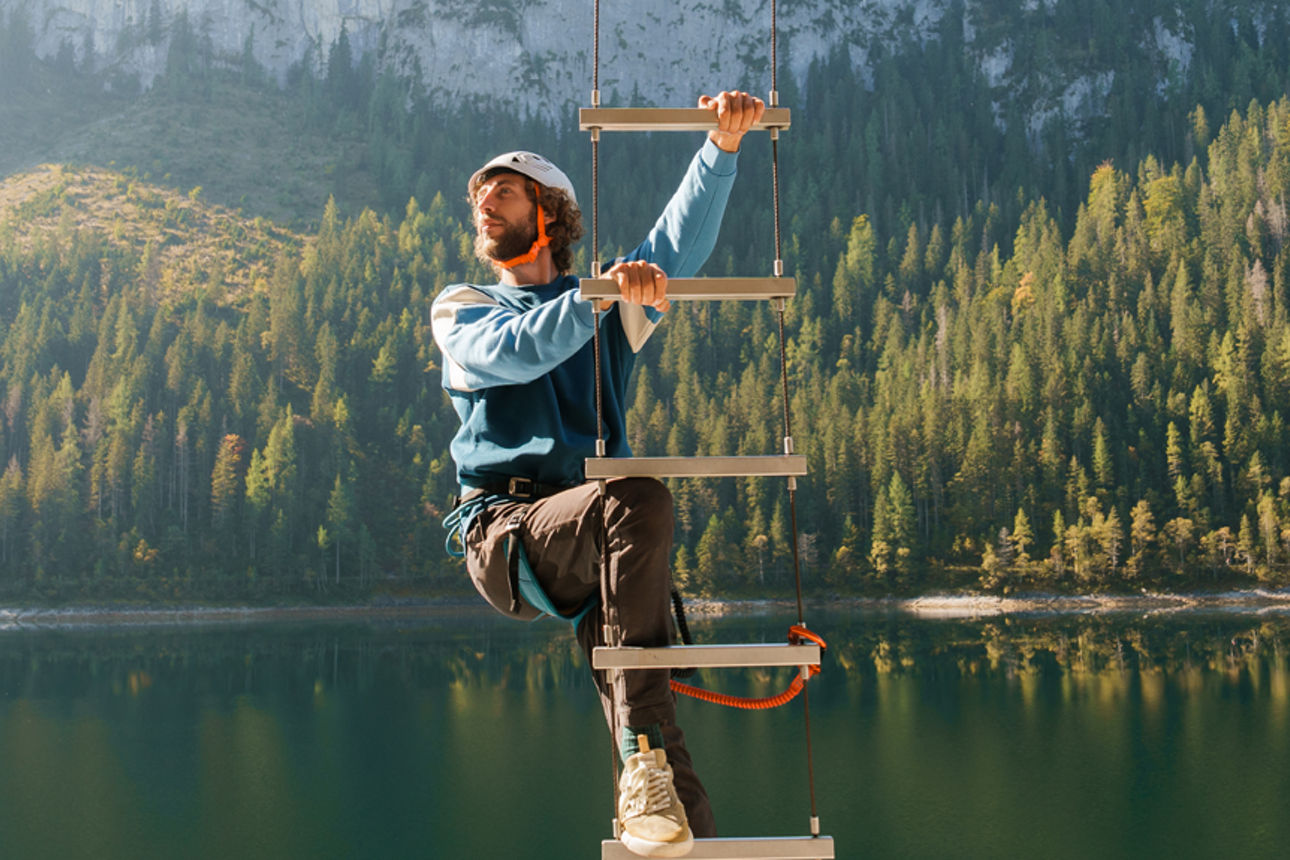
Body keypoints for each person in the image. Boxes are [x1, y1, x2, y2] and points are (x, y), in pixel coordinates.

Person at [433, 90, 765, 858]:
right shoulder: (463, 307)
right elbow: (516, 353)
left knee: (662, 771)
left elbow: (674, 247)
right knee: (634, 500)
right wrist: (604, 297)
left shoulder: (604, 300)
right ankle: (642, 757)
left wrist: (721, 149)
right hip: (506, 533)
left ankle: (662, 799)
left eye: (503, 190)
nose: (483, 201)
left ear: (549, 212)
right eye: (479, 193)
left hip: (594, 531)